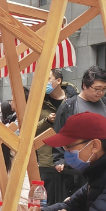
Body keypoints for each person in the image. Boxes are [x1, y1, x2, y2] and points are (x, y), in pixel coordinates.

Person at [37, 71, 70, 203]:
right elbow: (30, 129)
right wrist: (47, 121)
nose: (44, 82)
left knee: (67, 201)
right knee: (47, 201)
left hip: (71, 158)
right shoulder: (39, 102)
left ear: (58, 81)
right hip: (47, 157)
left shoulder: (72, 100)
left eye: (48, 78)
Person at [54, 67, 106, 131]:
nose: (101, 92)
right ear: (84, 85)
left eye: (104, 89)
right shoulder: (69, 106)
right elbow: (58, 132)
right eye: (97, 89)